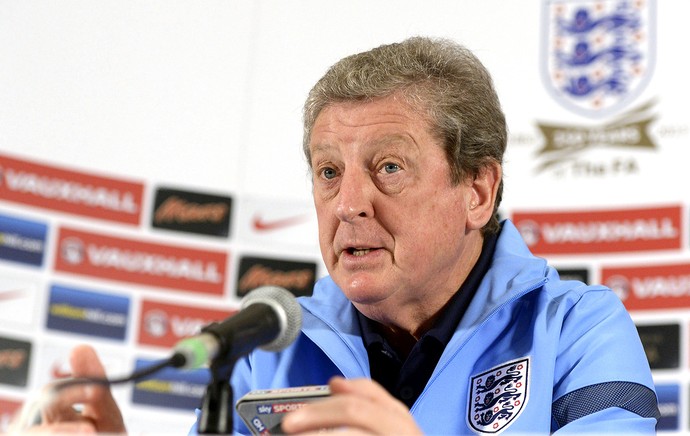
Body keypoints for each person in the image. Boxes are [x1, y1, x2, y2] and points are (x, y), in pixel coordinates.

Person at [25, 36, 659, 435]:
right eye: (329, 172)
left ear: (477, 191)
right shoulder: (269, 349)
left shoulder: (579, 329)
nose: (349, 204)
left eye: (388, 167)